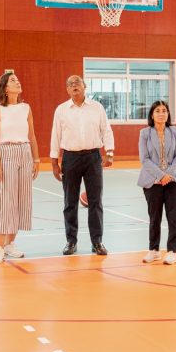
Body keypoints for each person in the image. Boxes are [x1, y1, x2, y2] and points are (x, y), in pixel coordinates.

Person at [50, 75, 114, 256]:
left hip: (93, 157)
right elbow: (55, 135)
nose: (74, 86)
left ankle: (97, 242)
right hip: (70, 158)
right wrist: (54, 161)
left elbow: (106, 130)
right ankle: (71, 241)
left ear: (84, 86)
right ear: (67, 90)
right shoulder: (61, 110)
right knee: (70, 202)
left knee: (96, 201)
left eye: (77, 82)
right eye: (70, 84)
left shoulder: (97, 108)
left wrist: (109, 152)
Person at [0, 71, 40, 264]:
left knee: (20, 200)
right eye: (12, 80)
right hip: (5, 153)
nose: (17, 82)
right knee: (5, 201)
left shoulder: (26, 108)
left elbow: (32, 135)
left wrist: (36, 159)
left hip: (25, 152)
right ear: (5, 87)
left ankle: (10, 244)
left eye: (17, 79)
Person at [137, 101, 176, 265]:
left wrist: (169, 175)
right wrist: (160, 175)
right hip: (152, 181)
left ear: (168, 114)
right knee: (154, 217)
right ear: (152, 115)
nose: (161, 113)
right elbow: (145, 159)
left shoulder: (175, 131)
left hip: (173, 181)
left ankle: (172, 251)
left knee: (173, 218)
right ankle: (154, 250)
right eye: (158, 111)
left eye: (164, 110)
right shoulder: (144, 133)